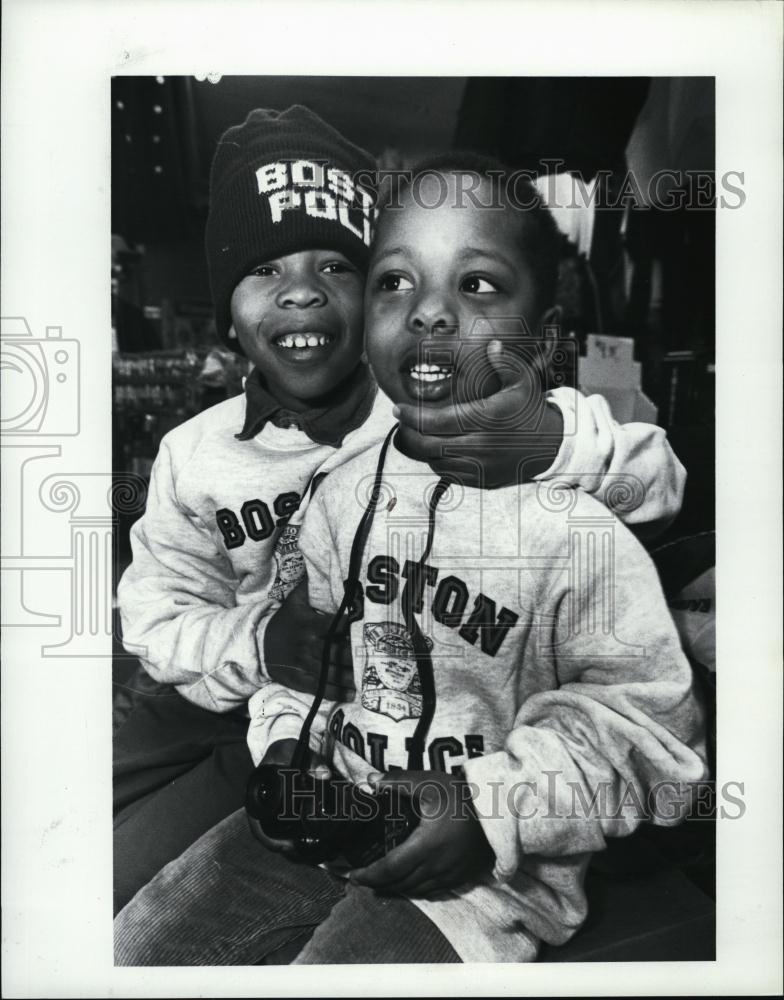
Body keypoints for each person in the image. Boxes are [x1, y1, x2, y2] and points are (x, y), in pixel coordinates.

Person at [114, 159, 706, 965]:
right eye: (397, 282)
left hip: (486, 877)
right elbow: (301, 671)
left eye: (479, 285)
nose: (430, 313)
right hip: (328, 810)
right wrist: (287, 747)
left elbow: (650, 737)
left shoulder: (573, 517)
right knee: (139, 947)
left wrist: (488, 810)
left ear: (550, 331)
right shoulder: (335, 496)